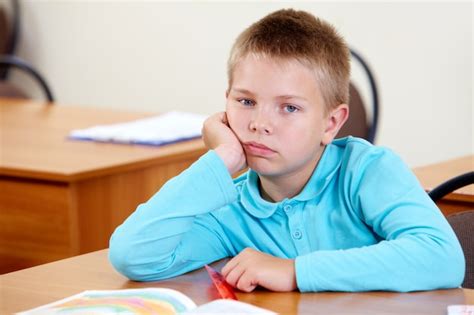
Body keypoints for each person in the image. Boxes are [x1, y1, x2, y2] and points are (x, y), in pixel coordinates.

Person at [109, 8, 464, 292]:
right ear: (225, 105)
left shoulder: (367, 171)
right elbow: (134, 256)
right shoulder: (231, 209)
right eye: (246, 101)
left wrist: (295, 272)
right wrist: (221, 160)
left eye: (289, 108)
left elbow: (442, 258)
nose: (260, 123)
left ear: (331, 123)